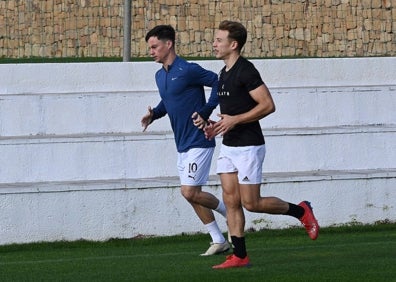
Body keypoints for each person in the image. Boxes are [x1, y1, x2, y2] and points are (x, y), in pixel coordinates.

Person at [202, 20, 319, 268]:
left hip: (249, 145)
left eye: (219, 40)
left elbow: (268, 105)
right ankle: (240, 255)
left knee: (251, 203)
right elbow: (231, 114)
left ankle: (301, 211)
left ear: (233, 45)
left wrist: (235, 120)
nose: (214, 44)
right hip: (229, 146)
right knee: (231, 201)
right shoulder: (223, 74)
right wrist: (216, 126)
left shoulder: (246, 70)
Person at [141, 25, 230, 256]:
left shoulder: (188, 69)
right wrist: (154, 115)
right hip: (181, 144)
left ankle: (230, 213)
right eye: (149, 47)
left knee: (189, 191)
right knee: (191, 194)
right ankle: (218, 239)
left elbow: (219, 83)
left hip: (199, 140)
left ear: (168, 44)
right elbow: (168, 102)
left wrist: (206, 110)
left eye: (154, 46)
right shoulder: (160, 75)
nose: (151, 51)